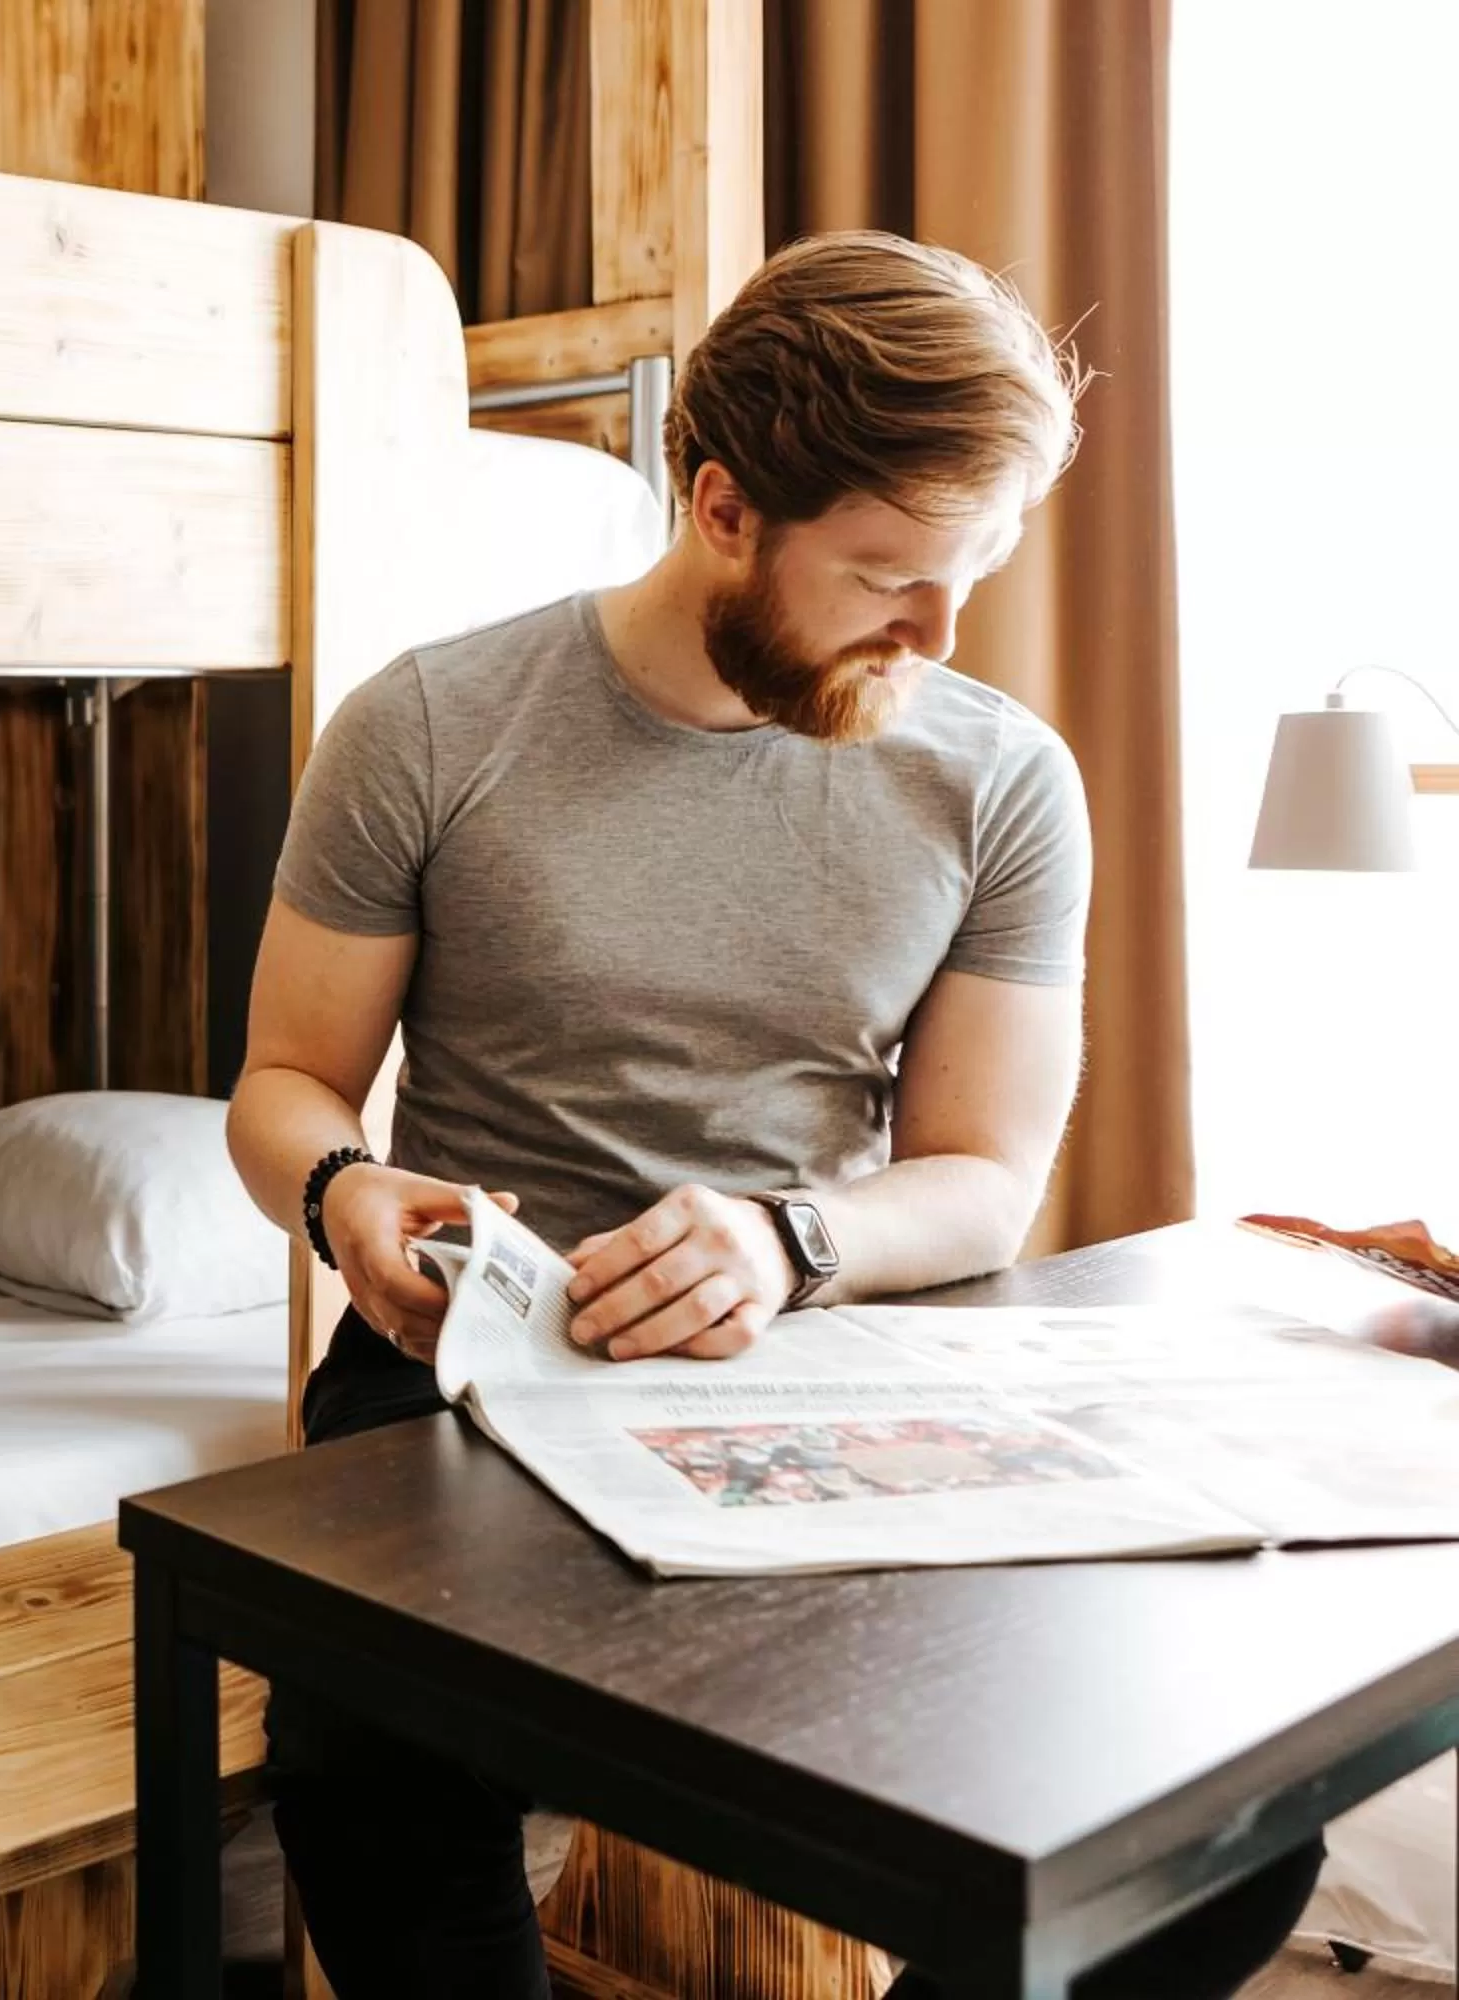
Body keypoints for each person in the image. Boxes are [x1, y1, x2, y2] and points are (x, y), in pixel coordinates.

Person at [227, 232, 1323, 1997]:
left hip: (832, 1359)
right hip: (472, 1375)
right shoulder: (431, 723)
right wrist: (343, 1188)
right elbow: (285, 1087)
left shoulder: (999, 778)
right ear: (725, 508)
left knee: (1221, 1846)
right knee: (368, 1778)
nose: (942, 634)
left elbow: (978, 1184)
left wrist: (790, 1242)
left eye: (975, 571)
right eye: (890, 573)